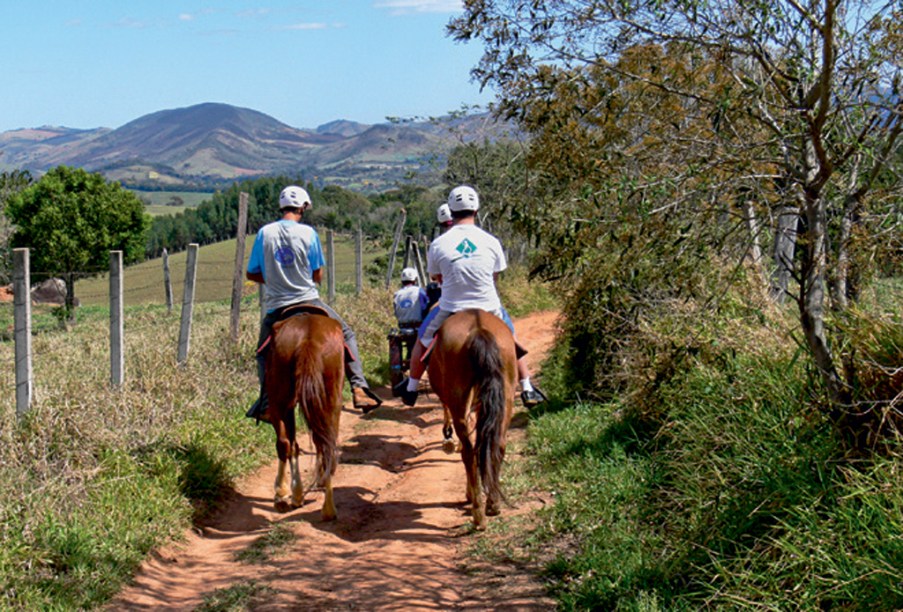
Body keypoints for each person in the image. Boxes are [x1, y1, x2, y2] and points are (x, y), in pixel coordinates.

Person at [394, 185, 546, 408]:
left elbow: (438, 278)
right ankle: (527, 388)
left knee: (421, 341)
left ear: (451, 212)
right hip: (489, 306)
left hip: (450, 307)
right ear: (476, 210)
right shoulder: (491, 241)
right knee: (511, 339)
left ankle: (411, 388)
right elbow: (494, 277)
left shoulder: (437, 244)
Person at [246, 185, 382, 422]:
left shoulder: (264, 233)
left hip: (277, 306)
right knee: (347, 334)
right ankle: (359, 388)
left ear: (282, 207)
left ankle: (267, 400)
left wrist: (274, 279)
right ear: (303, 207)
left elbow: (252, 274)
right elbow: (317, 274)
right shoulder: (309, 233)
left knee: (262, 353)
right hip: (308, 299)